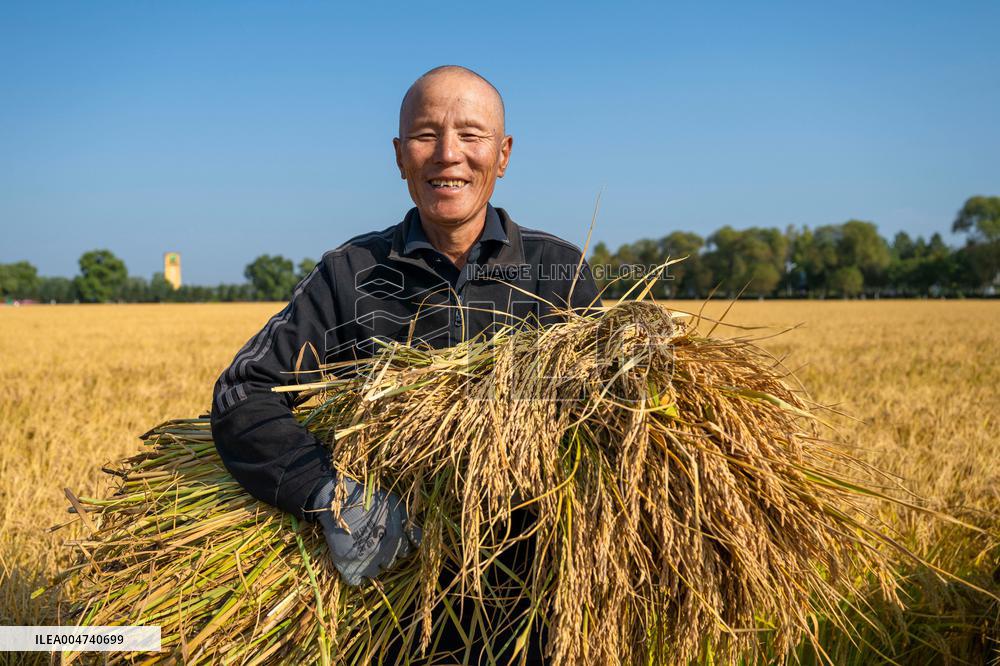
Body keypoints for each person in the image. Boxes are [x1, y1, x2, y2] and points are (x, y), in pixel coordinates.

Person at [211, 65, 600, 664]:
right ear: (399, 155)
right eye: (426, 135)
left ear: (503, 154)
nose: (449, 155)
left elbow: (621, 414)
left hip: (542, 612)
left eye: (471, 136)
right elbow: (244, 393)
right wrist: (328, 494)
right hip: (389, 612)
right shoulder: (350, 275)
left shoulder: (560, 273)